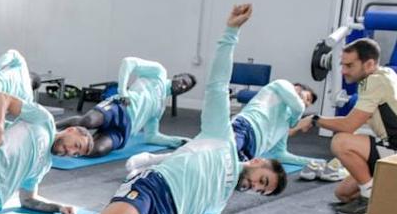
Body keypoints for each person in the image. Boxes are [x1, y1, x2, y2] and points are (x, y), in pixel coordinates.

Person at [0, 5, 284, 214]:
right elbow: (218, 84)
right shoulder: (222, 136)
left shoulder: (218, 201)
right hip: (155, 188)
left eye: (261, 191)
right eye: (263, 181)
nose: (255, 188)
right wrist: (230, 32)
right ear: (258, 162)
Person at [125, 80, 319, 176]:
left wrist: (316, 161)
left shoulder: (286, 120)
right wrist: (297, 121)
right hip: (245, 128)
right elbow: (297, 106)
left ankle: (154, 165)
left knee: (206, 165)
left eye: (309, 102)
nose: (305, 102)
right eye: (306, 96)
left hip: (250, 152)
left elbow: (282, 154)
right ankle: (151, 163)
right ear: (297, 87)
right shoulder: (281, 85)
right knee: (208, 155)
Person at [307, 38, 397, 214]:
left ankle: (369, 198)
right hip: (389, 147)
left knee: (341, 142)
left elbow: (349, 125)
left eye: (349, 65)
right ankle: (380, 198)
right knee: (344, 193)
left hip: (394, 151)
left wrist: (314, 119)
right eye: (342, 65)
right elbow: (356, 120)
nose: (343, 71)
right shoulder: (384, 74)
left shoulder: (376, 82)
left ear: (369, 64)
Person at [52, 58, 196, 158]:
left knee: (97, 150)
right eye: (183, 81)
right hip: (120, 107)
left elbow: (152, 137)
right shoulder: (159, 73)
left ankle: (71, 144)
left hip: (124, 130)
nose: (182, 86)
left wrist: (179, 141)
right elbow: (128, 62)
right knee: (88, 121)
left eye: (185, 88)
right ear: (177, 75)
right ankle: (51, 127)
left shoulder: (160, 108)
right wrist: (123, 92)